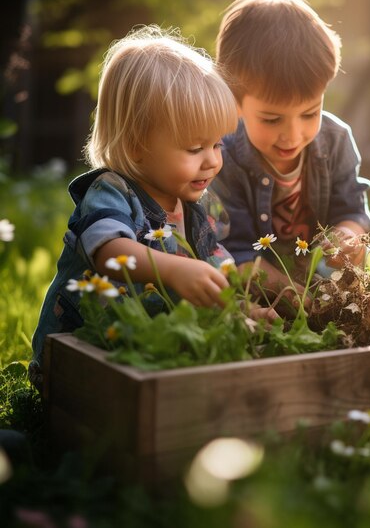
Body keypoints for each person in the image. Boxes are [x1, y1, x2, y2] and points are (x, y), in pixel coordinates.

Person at [30, 25, 275, 388]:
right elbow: (108, 251)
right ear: (135, 147)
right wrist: (174, 270)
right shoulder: (112, 192)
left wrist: (238, 309)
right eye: (195, 149)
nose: (211, 161)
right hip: (83, 356)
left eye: (217, 145)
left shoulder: (198, 206)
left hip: (147, 349)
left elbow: (211, 269)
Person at [212, 0, 370, 292]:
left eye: (310, 113)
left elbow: (353, 209)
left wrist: (348, 235)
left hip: (321, 279)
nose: (293, 135)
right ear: (235, 101)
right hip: (261, 286)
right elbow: (236, 252)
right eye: (272, 119)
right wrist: (295, 297)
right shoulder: (222, 156)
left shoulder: (335, 140)